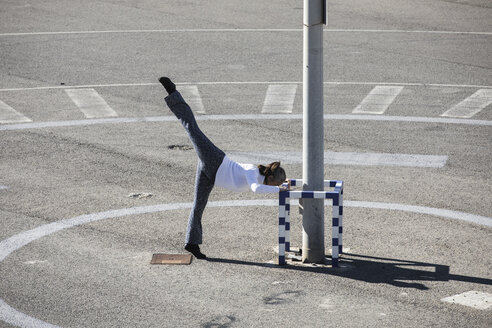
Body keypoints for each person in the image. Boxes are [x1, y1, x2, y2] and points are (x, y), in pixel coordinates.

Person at [159, 77, 288, 259]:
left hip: (211, 175)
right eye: (276, 184)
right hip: (215, 161)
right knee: (192, 128)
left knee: (198, 205)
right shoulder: (253, 172)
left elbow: (264, 186)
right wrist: (280, 190)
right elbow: (256, 189)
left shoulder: (263, 179)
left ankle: (192, 243)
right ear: (271, 179)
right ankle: (173, 93)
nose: (276, 187)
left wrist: (284, 185)